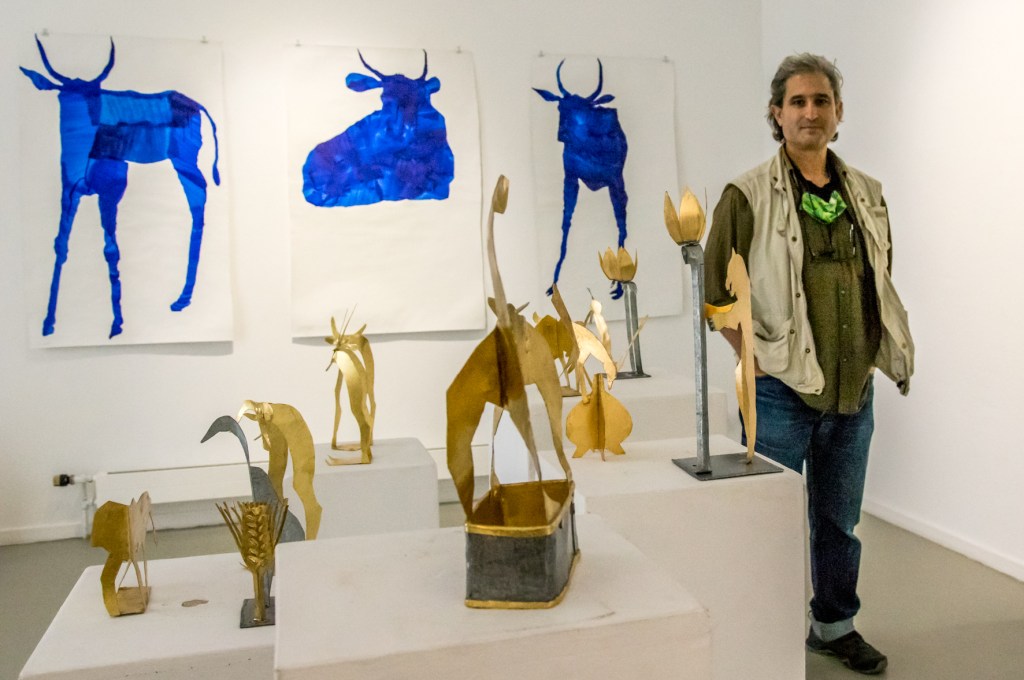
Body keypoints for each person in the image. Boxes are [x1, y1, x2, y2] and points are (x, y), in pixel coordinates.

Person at [704, 53, 914, 675]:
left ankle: (834, 627)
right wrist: (754, 361)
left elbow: (880, 278)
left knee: (839, 523)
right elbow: (715, 294)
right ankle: (760, 635)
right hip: (779, 392)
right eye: (797, 102)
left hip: (853, 390)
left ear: (838, 112)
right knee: (766, 522)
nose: (810, 112)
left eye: (822, 101)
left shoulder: (867, 194)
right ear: (776, 113)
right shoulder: (745, 195)